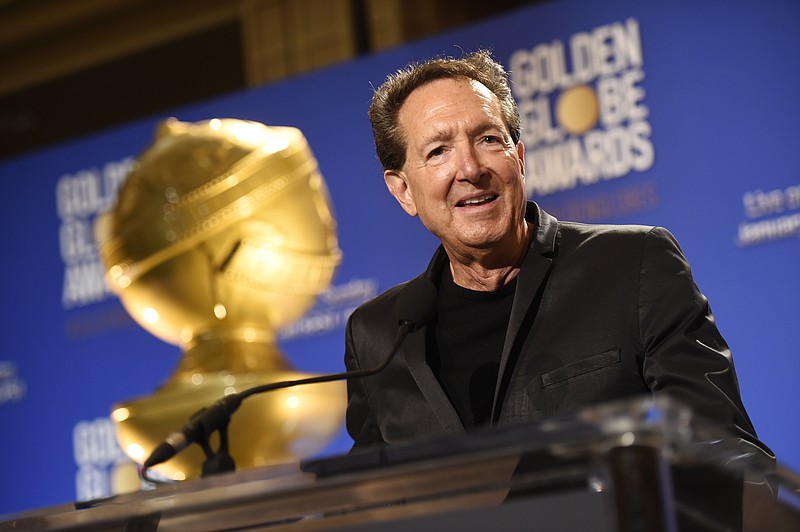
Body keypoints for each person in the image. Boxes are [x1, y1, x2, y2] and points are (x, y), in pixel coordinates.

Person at [343, 49, 773, 527]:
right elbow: (369, 508)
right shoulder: (378, 335)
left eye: (488, 139)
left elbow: (724, 450)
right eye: (438, 150)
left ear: (519, 158)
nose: (470, 167)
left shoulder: (631, 266)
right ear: (403, 190)